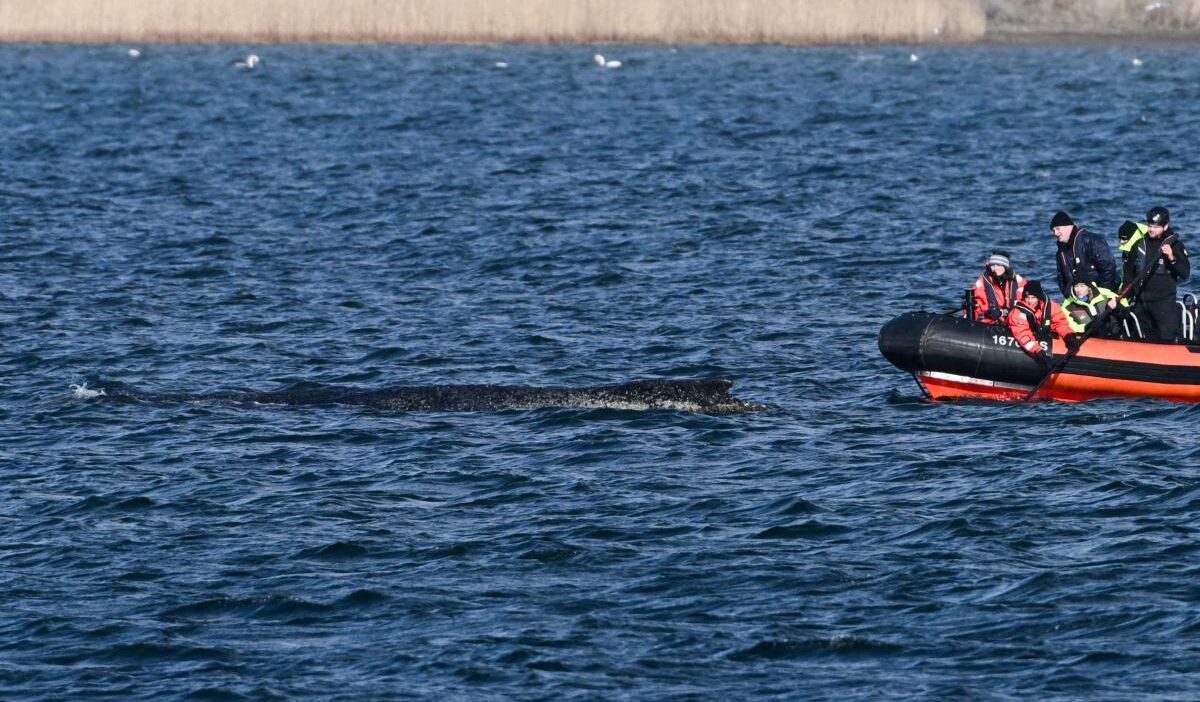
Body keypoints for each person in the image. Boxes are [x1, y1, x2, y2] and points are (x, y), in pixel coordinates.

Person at [1124, 206, 1191, 340]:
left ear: (1165, 226)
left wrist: (1172, 258)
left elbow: (1185, 273)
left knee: (1167, 338)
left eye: (1155, 227)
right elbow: (1129, 274)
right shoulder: (1139, 245)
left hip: (1163, 303)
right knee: (1140, 338)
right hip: (1141, 303)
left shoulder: (1175, 245)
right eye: (1149, 225)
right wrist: (1125, 297)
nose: (1151, 229)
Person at [1007, 280, 1077, 367]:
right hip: (1030, 341)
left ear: (1039, 297)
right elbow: (1023, 335)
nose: (1030, 301)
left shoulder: (1051, 307)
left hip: (1044, 335)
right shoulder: (1018, 313)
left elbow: (1060, 323)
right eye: (1027, 297)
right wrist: (1039, 352)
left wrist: (1069, 336)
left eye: (1033, 298)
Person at [1051, 210, 1117, 297]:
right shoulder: (1060, 252)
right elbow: (1061, 278)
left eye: (1058, 229)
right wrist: (1069, 296)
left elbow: (1108, 267)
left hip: (1102, 294)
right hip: (1078, 298)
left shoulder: (1091, 241)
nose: (1055, 233)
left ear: (1068, 227)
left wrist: (1102, 294)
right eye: (1053, 230)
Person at [1061, 271, 1129, 339]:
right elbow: (1067, 324)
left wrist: (1117, 307)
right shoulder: (1068, 304)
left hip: (1113, 335)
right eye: (1076, 286)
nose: (1079, 290)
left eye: (1082, 286)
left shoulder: (1104, 294)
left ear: (1089, 287)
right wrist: (1085, 328)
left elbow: (1125, 308)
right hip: (1088, 337)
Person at [971, 250, 1026, 324]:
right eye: (993, 265)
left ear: (1005, 266)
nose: (995, 268)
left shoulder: (1019, 281)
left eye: (999, 265)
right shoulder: (982, 283)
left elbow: (1028, 301)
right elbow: (978, 303)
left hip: (1014, 320)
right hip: (989, 321)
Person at [1117, 219, 1148, 288]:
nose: (1121, 242)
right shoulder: (1126, 248)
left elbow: (1140, 271)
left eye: (1124, 239)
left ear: (1132, 236)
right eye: (1120, 239)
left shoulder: (1141, 247)